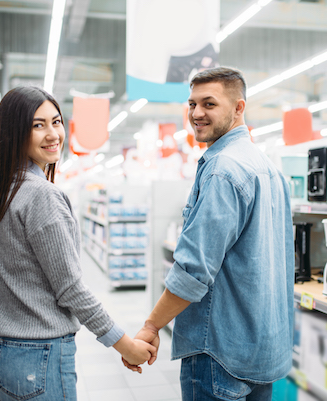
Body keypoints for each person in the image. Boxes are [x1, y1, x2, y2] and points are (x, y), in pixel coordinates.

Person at [125, 67, 295, 400]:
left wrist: (151, 326)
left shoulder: (223, 170)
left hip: (221, 350)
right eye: (191, 104)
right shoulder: (269, 170)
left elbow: (193, 269)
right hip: (262, 349)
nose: (196, 113)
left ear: (238, 108)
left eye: (209, 103)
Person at [0, 86, 155, 401]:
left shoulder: (0, 189)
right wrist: (125, 345)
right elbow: (71, 289)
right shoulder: (41, 194)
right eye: (37, 125)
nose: (52, 134)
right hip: (36, 361)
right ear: (14, 132)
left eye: (56, 122)